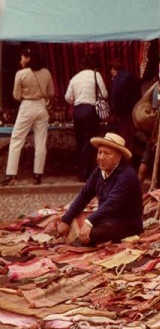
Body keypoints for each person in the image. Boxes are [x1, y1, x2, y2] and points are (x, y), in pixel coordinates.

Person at [57, 132, 143, 246]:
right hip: (106, 219)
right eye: (100, 152)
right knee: (68, 221)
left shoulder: (127, 175)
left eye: (107, 153)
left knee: (89, 235)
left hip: (125, 224)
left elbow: (111, 204)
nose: (101, 157)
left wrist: (89, 222)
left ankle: (75, 247)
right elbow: (84, 196)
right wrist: (66, 220)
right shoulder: (99, 171)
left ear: (119, 156)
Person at [2, 48, 54, 186]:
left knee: (17, 139)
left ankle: (11, 174)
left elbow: (16, 95)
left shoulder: (21, 74)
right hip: (42, 106)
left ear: (28, 58)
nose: (21, 60)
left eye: (23, 57)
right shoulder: (46, 72)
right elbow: (51, 92)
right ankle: (38, 174)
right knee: (41, 141)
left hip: (27, 105)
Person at [65, 55, 108, 181]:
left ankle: (81, 172)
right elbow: (104, 93)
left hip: (77, 111)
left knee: (80, 142)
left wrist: (77, 98)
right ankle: (88, 173)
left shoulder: (75, 78)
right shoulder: (96, 75)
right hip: (91, 110)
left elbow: (68, 97)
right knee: (90, 142)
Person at [109, 58, 141, 151]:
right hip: (134, 110)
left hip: (124, 113)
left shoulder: (118, 79)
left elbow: (114, 97)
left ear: (113, 69)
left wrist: (114, 112)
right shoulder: (131, 76)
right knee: (132, 135)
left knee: (125, 137)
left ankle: (126, 158)